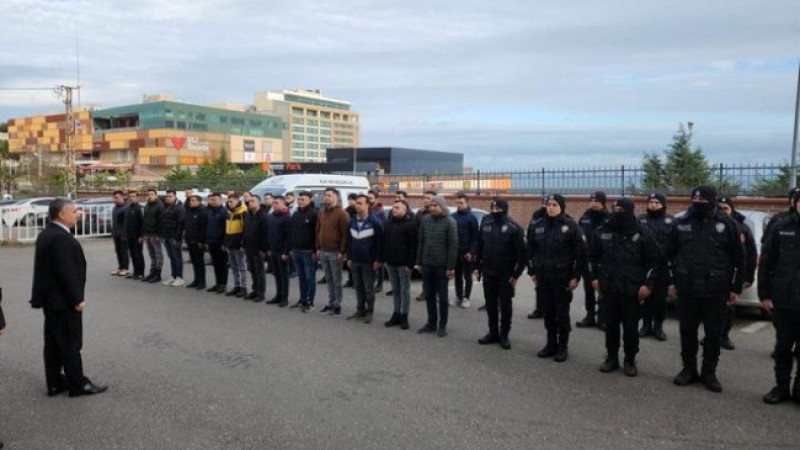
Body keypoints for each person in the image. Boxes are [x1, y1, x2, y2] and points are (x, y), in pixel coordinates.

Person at [666, 186, 744, 393]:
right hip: (687, 287)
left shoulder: (727, 224)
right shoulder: (680, 223)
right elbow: (669, 254)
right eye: (695, 198)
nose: (698, 201)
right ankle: (688, 369)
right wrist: (671, 282)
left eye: (703, 198)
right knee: (687, 331)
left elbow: (739, 258)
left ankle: (709, 372)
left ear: (712, 200)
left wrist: (735, 287)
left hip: (716, 289)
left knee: (713, 333)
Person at [30, 198, 107, 397]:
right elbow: (66, 272)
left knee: (54, 343)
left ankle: (55, 382)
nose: (78, 214)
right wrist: (77, 298)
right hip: (63, 300)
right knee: (71, 342)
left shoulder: (48, 233)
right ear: (61, 214)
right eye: (74, 211)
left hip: (51, 300)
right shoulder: (59, 237)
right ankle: (77, 384)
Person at [589, 198, 662, 377]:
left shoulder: (642, 232)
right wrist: (594, 278)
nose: (617, 212)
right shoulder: (603, 230)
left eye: (622, 209)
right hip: (609, 287)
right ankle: (611, 357)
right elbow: (592, 257)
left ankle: (630, 359)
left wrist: (648, 285)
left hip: (632, 289)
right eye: (615, 209)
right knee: (611, 325)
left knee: (630, 328)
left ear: (630, 211)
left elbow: (655, 261)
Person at [527, 194, 586, 362]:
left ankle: (562, 346)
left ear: (561, 207)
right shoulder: (537, 225)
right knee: (548, 313)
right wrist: (532, 271)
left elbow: (580, 254)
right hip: (544, 277)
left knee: (562, 313)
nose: (550, 207)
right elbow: (530, 251)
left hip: (562, 277)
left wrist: (576, 277)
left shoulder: (571, 226)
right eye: (548, 204)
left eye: (554, 204)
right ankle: (550, 344)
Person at [759, 188, 800, 404]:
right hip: (783, 300)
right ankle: (781, 387)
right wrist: (764, 295)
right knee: (783, 348)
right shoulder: (781, 227)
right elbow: (766, 263)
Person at [475, 198, 526, 350]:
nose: (495, 212)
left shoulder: (514, 227)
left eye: (498, 209)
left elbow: (522, 254)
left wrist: (516, 275)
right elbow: (480, 246)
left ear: (505, 210)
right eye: (493, 209)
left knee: (505, 306)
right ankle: (493, 333)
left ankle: (504, 335)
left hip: (506, 274)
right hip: (488, 272)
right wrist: (476, 266)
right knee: (490, 305)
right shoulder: (485, 223)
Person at [716, 196, 757, 351]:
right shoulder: (710, 224)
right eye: (719, 208)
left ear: (732, 210)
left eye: (725, 208)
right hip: (714, 274)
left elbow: (750, 254)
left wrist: (748, 277)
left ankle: (724, 336)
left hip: (731, 274)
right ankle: (711, 335)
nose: (722, 212)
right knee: (712, 309)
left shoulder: (742, 228)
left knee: (728, 308)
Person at [416, 195, 458, 337]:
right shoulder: (426, 220)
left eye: (435, 206)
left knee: (443, 297)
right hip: (427, 264)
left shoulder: (450, 221)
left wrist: (450, 267)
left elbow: (453, 246)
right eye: (431, 206)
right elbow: (421, 241)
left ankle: (442, 325)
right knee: (429, 296)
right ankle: (431, 323)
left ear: (442, 206)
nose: (432, 208)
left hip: (442, 266)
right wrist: (419, 262)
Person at [638, 193, 673, 341]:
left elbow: (674, 244)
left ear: (663, 205)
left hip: (663, 266)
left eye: (656, 202)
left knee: (660, 299)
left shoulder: (670, 221)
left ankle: (658, 327)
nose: (653, 204)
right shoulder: (640, 220)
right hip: (644, 265)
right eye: (651, 202)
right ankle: (646, 325)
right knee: (645, 297)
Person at [346, 194, 384, 323]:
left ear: (368, 205)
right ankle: (360, 309)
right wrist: (349, 257)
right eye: (356, 203)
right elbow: (349, 241)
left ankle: (369, 311)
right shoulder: (352, 221)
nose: (357, 205)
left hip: (369, 261)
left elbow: (380, 243)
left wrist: (378, 260)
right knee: (358, 286)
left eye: (360, 203)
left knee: (368, 288)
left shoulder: (375, 222)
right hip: (355, 260)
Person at [380, 199, 417, 330]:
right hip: (391, 263)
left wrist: (410, 265)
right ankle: (396, 314)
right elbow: (384, 242)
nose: (394, 210)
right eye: (393, 207)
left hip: (404, 264)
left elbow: (414, 247)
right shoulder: (388, 224)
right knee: (395, 290)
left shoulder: (411, 225)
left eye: (397, 208)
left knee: (404, 290)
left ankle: (404, 315)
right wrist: (384, 259)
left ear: (405, 210)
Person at [577, 191, 611, 330]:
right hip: (588, 259)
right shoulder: (585, 217)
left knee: (603, 289)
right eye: (591, 201)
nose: (593, 203)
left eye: (596, 201)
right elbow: (579, 235)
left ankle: (603, 318)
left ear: (603, 203)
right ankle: (590, 315)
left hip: (605, 259)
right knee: (589, 288)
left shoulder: (610, 218)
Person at [316, 188, 350, 315]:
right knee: (329, 279)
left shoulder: (342, 213)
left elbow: (346, 234)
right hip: (323, 251)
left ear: (336, 197)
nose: (326, 197)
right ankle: (330, 302)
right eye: (325, 195)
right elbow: (318, 230)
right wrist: (318, 247)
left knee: (337, 280)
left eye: (329, 195)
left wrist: (342, 251)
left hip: (335, 252)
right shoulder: (321, 212)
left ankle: (337, 304)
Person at [288, 191, 318, 311]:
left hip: (308, 251)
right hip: (296, 250)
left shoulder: (314, 214)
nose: (300, 201)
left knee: (310, 277)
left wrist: (315, 250)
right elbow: (292, 233)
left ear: (310, 200)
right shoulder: (295, 214)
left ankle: (310, 302)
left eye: (303, 199)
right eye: (299, 199)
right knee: (301, 278)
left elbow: (316, 234)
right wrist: (290, 248)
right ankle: (302, 299)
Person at [451, 192, 478, 309]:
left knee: (467, 276)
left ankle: (466, 298)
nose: (459, 205)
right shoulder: (453, 216)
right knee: (457, 276)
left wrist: (471, 252)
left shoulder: (472, 218)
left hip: (467, 252)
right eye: (457, 203)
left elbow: (475, 237)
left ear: (467, 202)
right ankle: (459, 296)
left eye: (461, 203)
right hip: (455, 251)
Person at [526, 195, 550, 318]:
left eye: (549, 204)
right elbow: (530, 237)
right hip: (539, 258)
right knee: (539, 286)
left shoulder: (563, 219)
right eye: (544, 203)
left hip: (554, 260)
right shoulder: (536, 217)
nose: (546, 206)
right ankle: (539, 309)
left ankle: (551, 311)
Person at [266, 196, 292, 306]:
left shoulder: (287, 217)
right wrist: (268, 248)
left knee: (283, 275)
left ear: (283, 204)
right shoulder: (272, 216)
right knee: (276, 274)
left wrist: (286, 252)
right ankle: (278, 295)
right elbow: (269, 233)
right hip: (273, 249)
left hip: (282, 250)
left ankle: (284, 297)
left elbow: (289, 236)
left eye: (277, 203)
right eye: (274, 203)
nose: (274, 204)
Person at [243, 194, 269, 302]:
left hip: (259, 248)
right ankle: (254, 290)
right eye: (249, 202)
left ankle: (260, 292)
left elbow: (265, 234)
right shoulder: (248, 215)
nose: (250, 203)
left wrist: (263, 249)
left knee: (259, 271)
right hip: (249, 247)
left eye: (253, 201)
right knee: (252, 270)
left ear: (258, 202)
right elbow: (246, 231)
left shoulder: (263, 216)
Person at [415, 190, 438, 302]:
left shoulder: (438, 213)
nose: (426, 200)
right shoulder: (420, 213)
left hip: (436, 246)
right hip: (423, 245)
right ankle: (425, 291)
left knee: (436, 272)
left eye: (429, 198)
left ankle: (436, 292)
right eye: (425, 197)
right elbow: (415, 229)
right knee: (425, 272)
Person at [224, 194, 248, 298]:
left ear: (237, 201)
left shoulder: (243, 212)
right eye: (228, 202)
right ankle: (236, 285)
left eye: (231, 202)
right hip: (230, 243)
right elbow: (227, 228)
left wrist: (243, 244)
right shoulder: (229, 212)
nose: (229, 203)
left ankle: (244, 287)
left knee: (241, 266)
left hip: (238, 244)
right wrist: (226, 243)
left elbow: (245, 230)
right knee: (234, 266)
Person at [161, 190, 186, 287]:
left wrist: (177, 238)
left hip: (174, 238)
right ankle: (173, 276)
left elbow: (180, 225)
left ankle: (179, 278)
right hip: (167, 236)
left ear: (175, 196)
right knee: (171, 257)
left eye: (170, 196)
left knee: (177, 257)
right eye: (166, 196)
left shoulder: (180, 209)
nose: (167, 198)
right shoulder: (167, 207)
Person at [205, 193, 229, 293]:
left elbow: (226, 228)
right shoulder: (209, 211)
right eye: (211, 200)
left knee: (222, 264)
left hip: (220, 242)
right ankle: (217, 283)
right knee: (215, 263)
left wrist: (225, 243)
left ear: (220, 200)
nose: (212, 201)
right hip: (211, 241)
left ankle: (223, 284)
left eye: (214, 199)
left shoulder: (224, 212)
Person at [184, 195, 208, 290]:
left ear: (199, 201)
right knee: (194, 262)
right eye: (190, 200)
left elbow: (203, 228)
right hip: (190, 239)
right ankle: (196, 280)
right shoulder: (189, 211)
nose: (191, 202)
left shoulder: (202, 212)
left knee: (200, 262)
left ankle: (202, 282)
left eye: (193, 201)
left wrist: (201, 241)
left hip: (198, 241)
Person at [141, 188, 165, 283]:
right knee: (152, 255)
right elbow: (145, 220)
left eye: (152, 194)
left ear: (156, 195)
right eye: (148, 194)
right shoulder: (147, 205)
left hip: (155, 234)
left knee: (158, 254)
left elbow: (161, 221)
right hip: (147, 233)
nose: (149, 196)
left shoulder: (159, 206)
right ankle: (152, 272)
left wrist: (159, 235)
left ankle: (158, 274)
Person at [367, 189, 387, 293]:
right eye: (368, 197)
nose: (369, 200)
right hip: (369, 239)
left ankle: (380, 284)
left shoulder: (380, 211)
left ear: (376, 198)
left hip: (377, 239)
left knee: (380, 264)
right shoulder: (368, 208)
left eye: (371, 198)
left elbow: (382, 226)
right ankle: (372, 283)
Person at [124, 191, 145, 280]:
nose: (131, 198)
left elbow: (142, 223)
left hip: (137, 236)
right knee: (132, 254)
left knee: (138, 254)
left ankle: (141, 273)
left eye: (133, 196)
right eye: (130, 196)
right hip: (130, 235)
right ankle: (136, 272)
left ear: (137, 197)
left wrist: (141, 235)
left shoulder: (139, 208)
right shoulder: (128, 208)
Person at [110, 190, 129, 277]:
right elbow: (114, 222)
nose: (115, 199)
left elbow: (126, 223)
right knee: (118, 251)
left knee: (123, 251)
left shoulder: (126, 208)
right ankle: (120, 267)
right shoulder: (115, 208)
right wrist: (113, 234)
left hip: (123, 234)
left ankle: (125, 268)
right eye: (114, 198)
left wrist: (124, 234)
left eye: (117, 198)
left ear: (122, 197)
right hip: (116, 233)